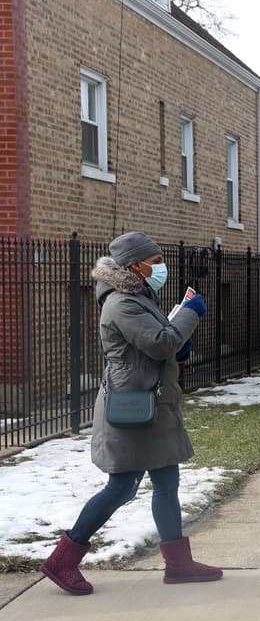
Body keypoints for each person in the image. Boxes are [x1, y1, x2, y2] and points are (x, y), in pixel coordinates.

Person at [39, 231, 219, 595]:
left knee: (167, 482)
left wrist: (177, 344)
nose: (160, 267)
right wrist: (189, 315)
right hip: (134, 408)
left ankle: (179, 563)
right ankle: (63, 559)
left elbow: (161, 343)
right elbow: (159, 342)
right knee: (121, 487)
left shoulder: (140, 296)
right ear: (134, 265)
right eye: (154, 261)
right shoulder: (122, 303)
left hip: (153, 405)